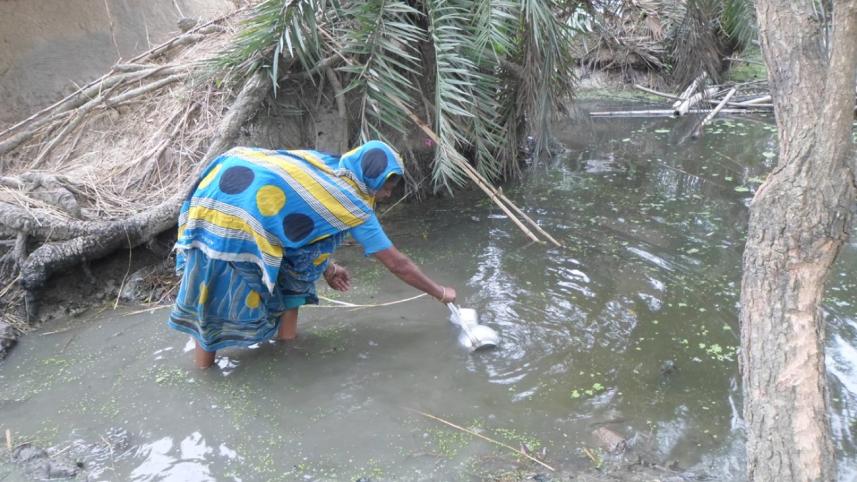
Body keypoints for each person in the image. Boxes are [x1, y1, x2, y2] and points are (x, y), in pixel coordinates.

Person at [167, 140, 457, 368]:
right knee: (212, 297)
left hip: (225, 188)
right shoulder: (352, 201)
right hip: (231, 214)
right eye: (387, 187)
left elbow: (298, 221)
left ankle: (286, 351)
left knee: (296, 271)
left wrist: (328, 268)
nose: (389, 194)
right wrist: (439, 292)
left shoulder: (331, 170)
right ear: (372, 179)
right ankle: (206, 373)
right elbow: (397, 263)